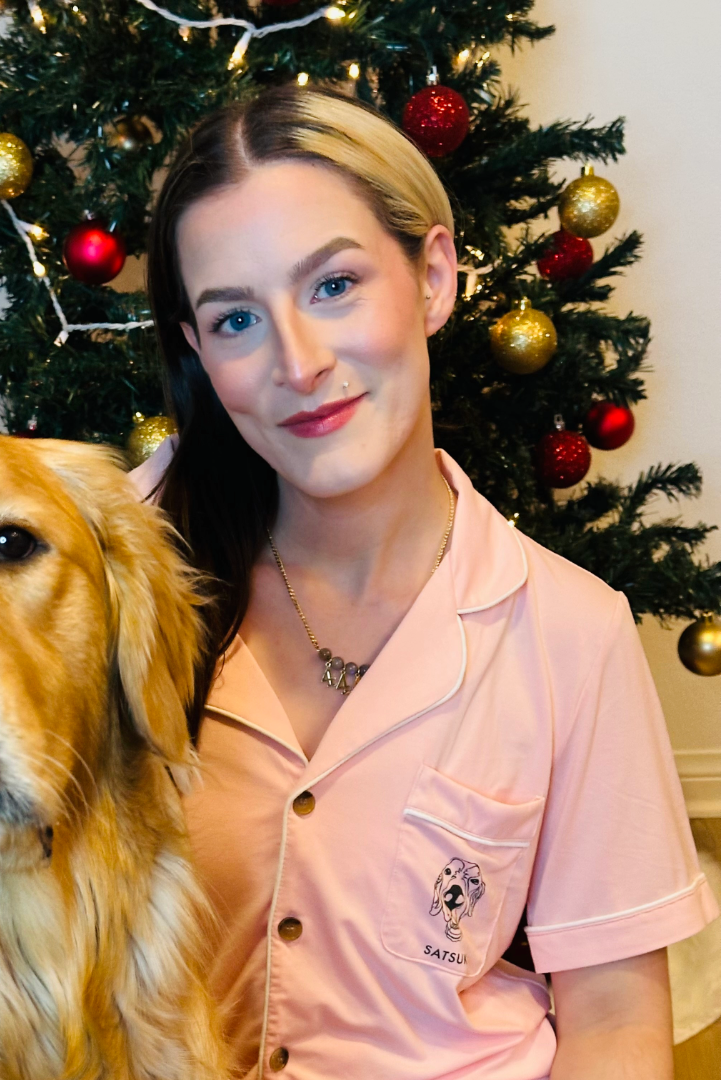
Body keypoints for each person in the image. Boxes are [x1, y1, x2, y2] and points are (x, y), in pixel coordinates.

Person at [130, 85, 717, 1080]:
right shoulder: (117, 564)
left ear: (434, 277)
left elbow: (616, 1022)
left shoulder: (573, 631)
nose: (300, 363)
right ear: (197, 350)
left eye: (334, 286)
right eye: (235, 319)